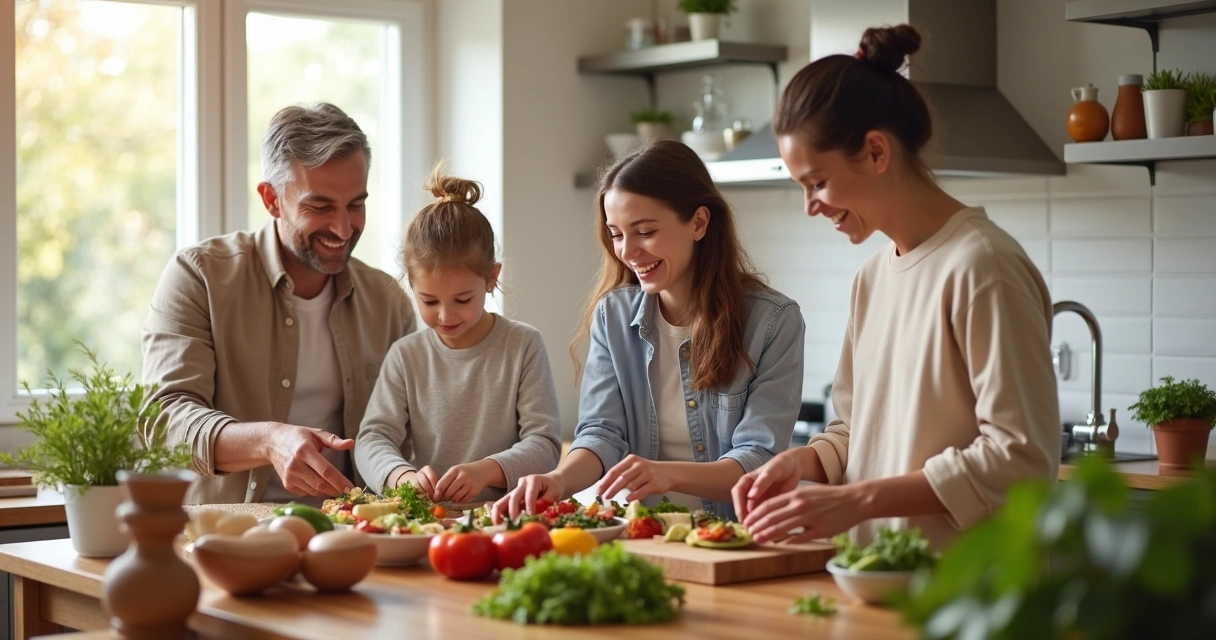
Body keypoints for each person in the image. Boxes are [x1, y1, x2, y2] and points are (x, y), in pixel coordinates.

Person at [732, 25, 1060, 549]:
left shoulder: (984, 267)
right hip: (877, 578)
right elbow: (854, 428)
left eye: (816, 182)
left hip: (970, 602)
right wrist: (804, 462)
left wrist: (858, 501)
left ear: (877, 152)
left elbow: (1020, 458)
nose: (810, 205)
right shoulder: (873, 278)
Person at [495, 140, 805, 521]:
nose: (626, 251)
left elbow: (758, 459)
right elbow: (602, 433)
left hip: (729, 537)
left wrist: (667, 475)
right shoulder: (614, 315)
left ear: (699, 223)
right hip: (638, 533)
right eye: (617, 234)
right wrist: (558, 480)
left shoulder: (773, 322)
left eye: (644, 231)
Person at [142, 103, 417, 505]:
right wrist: (269, 441)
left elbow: (413, 429)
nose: (343, 228)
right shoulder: (199, 276)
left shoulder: (388, 301)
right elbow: (163, 420)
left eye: (355, 204)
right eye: (320, 206)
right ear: (271, 199)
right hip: (230, 538)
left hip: (356, 535)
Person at [353, 166, 562, 503]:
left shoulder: (523, 345)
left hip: (506, 517)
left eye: (463, 300)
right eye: (429, 301)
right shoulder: (406, 356)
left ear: (492, 278)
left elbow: (545, 444)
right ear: (410, 284)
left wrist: (486, 470)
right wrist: (401, 476)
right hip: (430, 521)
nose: (446, 315)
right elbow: (373, 438)